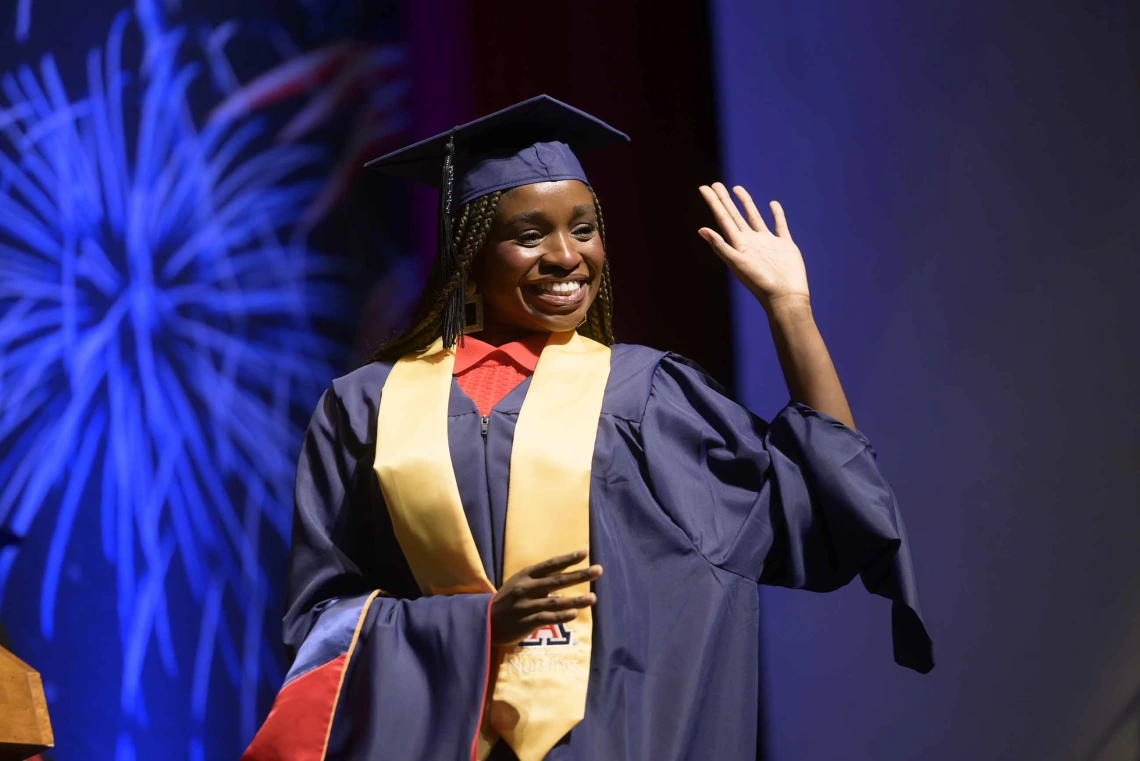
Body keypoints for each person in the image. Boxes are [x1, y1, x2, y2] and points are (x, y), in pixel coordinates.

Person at [241, 95, 932, 761]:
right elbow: (318, 632)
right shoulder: (366, 408)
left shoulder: (649, 397)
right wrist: (475, 627)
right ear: (471, 253)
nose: (568, 257)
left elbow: (826, 509)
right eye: (528, 233)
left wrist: (790, 310)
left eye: (584, 226)